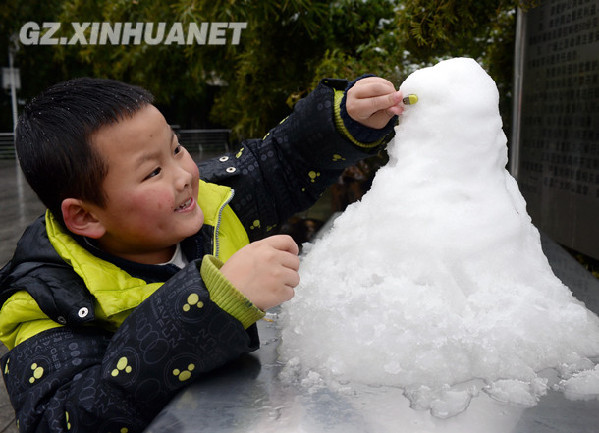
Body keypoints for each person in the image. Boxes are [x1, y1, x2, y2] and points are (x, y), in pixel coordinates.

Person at [0, 74, 405, 432]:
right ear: (85, 216)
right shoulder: (45, 301)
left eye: (176, 150)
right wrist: (212, 300)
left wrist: (342, 119)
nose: (183, 177)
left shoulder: (216, 201)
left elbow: (282, 162)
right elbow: (65, 419)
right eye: (152, 172)